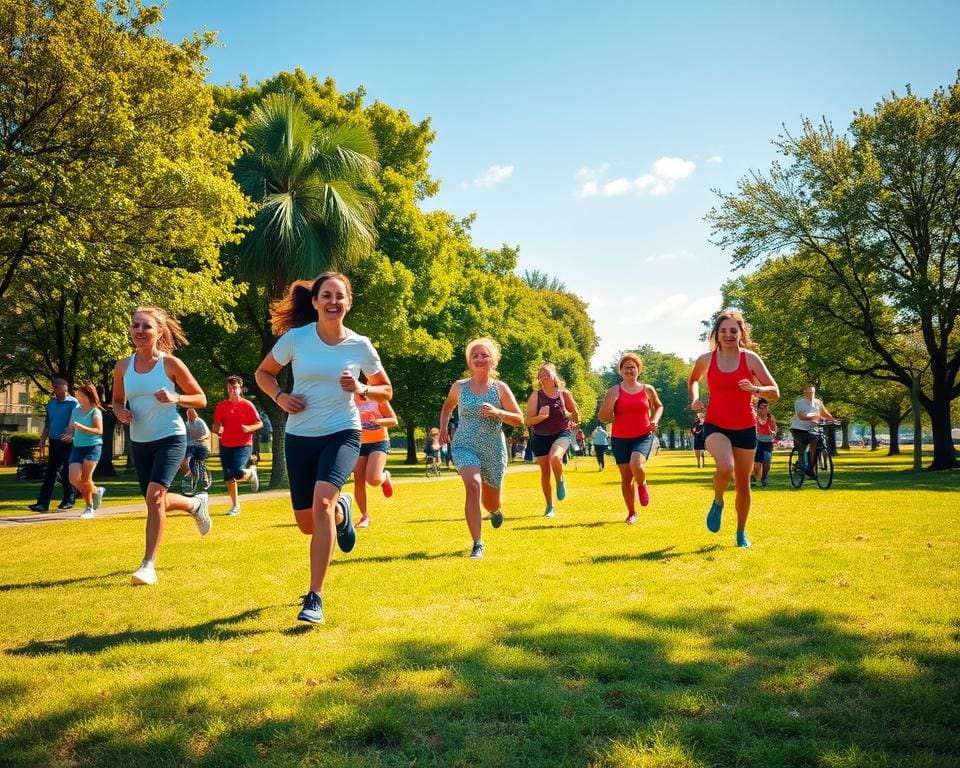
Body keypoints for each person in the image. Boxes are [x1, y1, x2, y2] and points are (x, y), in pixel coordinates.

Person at [255, 272, 392, 624]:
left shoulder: (360, 345)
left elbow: (385, 391)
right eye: (326, 296)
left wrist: (361, 388)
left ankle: (314, 597)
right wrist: (281, 396)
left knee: (322, 503)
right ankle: (343, 513)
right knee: (307, 523)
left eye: (339, 296)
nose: (333, 302)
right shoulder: (295, 339)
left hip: (343, 432)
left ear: (349, 302)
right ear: (315, 302)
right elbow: (264, 374)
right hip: (300, 436)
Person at [112, 306, 211, 586]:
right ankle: (194, 504)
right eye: (135, 326)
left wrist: (176, 397)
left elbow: (200, 398)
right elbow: (117, 400)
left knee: (154, 497)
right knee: (155, 500)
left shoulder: (170, 364)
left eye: (146, 326)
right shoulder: (122, 367)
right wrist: (119, 412)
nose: (140, 331)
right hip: (140, 442)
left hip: (171, 438)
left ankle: (148, 565)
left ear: (158, 332)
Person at [688, 309, 779, 548]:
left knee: (743, 485)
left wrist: (755, 389)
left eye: (733, 331)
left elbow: (775, 391)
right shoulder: (706, 360)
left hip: (744, 427)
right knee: (725, 466)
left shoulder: (750, 359)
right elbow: (694, 379)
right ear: (716, 334)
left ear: (741, 333)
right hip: (715, 424)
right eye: (723, 331)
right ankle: (718, 501)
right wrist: (695, 398)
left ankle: (741, 533)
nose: (728, 335)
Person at [440, 338, 524, 559]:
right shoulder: (459, 387)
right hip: (464, 445)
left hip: (493, 450)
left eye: (484, 355)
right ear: (470, 361)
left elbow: (519, 420)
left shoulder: (500, 388)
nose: (479, 358)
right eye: (474, 355)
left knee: (490, 501)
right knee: (473, 486)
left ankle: (495, 511)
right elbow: (448, 406)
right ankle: (477, 543)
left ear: (492, 361)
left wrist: (499, 413)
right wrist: (442, 429)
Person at [597, 353, 664, 525]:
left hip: (642, 436)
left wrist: (655, 420)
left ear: (638, 370)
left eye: (633, 367)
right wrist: (610, 403)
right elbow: (603, 418)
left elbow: (659, 406)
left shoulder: (647, 389)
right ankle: (631, 513)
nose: (629, 370)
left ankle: (642, 484)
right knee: (626, 479)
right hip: (620, 439)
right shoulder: (613, 391)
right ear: (620, 371)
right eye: (626, 367)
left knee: (637, 464)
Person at [525, 362, 581, 517]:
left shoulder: (564, 394)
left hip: (561, 433)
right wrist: (541, 417)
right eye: (541, 375)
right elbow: (528, 421)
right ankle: (549, 507)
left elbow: (576, 415)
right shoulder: (536, 395)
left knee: (555, 458)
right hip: (540, 436)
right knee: (544, 473)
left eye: (547, 374)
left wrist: (574, 415)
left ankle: (560, 479)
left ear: (554, 377)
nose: (543, 377)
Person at [212, 375, 263, 516]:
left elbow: (259, 423)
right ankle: (235, 506)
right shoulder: (221, 406)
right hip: (226, 444)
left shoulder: (247, 405)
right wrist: (218, 430)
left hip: (243, 444)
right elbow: (215, 426)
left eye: (235, 387)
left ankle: (251, 472)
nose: (232, 390)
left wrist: (249, 428)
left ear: (240, 389)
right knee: (228, 477)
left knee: (237, 471)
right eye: (229, 387)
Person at [28, 378, 78, 512]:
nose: (55, 390)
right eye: (54, 387)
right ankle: (42, 504)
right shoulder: (51, 403)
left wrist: (70, 433)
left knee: (66, 471)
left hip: (68, 441)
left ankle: (69, 499)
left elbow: (75, 422)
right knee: (50, 472)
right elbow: (48, 423)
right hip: (54, 440)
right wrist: (42, 439)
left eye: (57, 387)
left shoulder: (73, 403)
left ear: (65, 387)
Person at [352, 389, 398, 527]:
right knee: (358, 479)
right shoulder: (349, 399)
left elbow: (393, 420)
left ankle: (384, 477)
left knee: (373, 480)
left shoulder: (378, 397)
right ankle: (364, 516)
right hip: (358, 443)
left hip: (379, 442)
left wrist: (378, 421)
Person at [65, 383, 105, 519]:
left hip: (92, 447)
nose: (77, 397)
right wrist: (69, 434)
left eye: (80, 395)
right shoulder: (76, 410)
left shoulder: (95, 411)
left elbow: (99, 431)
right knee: (73, 478)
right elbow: (71, 426)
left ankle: (89, 508)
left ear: (88, 396)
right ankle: (97, 491)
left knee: (85, 479)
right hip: (77, 447)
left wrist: (81, 427)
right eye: (77, 395)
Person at [790, 384, 834, 475]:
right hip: (798, 430)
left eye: (813, 393)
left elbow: (825, 413)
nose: (811, 395)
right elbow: (802, 416)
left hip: (812, 430)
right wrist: (816, 417)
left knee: (817, 440)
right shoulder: (799, 403)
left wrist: (833, 419)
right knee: (811, 440)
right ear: (804, 393)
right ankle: (804, 465)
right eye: (809, 392)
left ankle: (811, 467)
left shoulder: (818, 402)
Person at [179, 408, 211, 494]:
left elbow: (207, 433)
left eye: (191, 414)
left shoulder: (199, 422)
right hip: (191, 446)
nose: (190, 416)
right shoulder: (186, 425)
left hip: (201, 447)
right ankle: (191, 479)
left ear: (195, 414)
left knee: (197, 462)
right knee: (187, 462)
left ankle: (203, 479)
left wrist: (202, 438)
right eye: (188, 414)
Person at [753, 398, 777, 486]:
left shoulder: (771, 418)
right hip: (757, 441)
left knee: (767, 460)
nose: (763, 409)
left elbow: (775, 430)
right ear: (758, 408)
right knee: (756, 463)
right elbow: (753, 427)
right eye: (761, 407)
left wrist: (773, 432)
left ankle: (764, 479)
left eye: (766, 407)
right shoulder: (755, 418)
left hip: (768, 441)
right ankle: (754, 476)